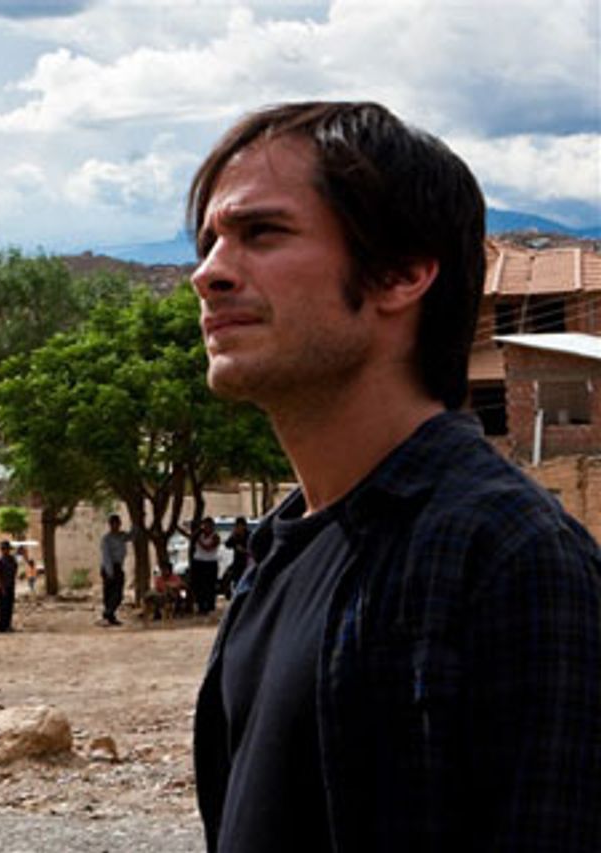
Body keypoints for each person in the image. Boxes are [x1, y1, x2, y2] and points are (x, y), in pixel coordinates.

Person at [188, 102, 601, 852]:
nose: (207, 273)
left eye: (262, 233)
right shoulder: (277, 552)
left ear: (402, 273)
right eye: (209, 241)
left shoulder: (509, 556)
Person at [180, 517, 220, 614]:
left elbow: (208, 548)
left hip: (210, 562)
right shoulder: (199, 535)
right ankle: (201, 605)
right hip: (198, 562)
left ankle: (210, 606)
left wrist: (199, 541)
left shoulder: (215, 536)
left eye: (208, 526)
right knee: (198, 585)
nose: (206, 528)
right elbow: (190, 537)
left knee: (210, 585)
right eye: (205, 525)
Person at [98, 514, 131, 625]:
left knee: (118, 594)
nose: (116, 526)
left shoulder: (122, 536)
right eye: (113, 524)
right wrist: (109, 571)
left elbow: (131, 536)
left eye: (117, 524)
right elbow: (106, 556)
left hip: (118, 566)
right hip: (109, 567)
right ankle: (109, 615)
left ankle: (109, 613)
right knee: (109, 593)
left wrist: (137, 524)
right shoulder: (107, 539)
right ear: (110, 525)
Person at [222, 517, 251, 599]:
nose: (238, 528)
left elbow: (254, 548)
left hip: (247, 563)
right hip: (237, 563)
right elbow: (227, 544)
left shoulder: (249, 535)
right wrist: (234, 535)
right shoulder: (235, 535)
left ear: (244, 526)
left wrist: (244, 550)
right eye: (237, 526)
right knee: (235, 581)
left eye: (240, 526)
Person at [0, 540, 18, 633]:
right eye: (4, 549)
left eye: (7, 549)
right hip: (3, 587)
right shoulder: (0, 561)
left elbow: (15, 569)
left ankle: (8, 625)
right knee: (3, 607)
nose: (6, 551)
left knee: (10, 606)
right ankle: (2, 627)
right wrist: (2, 587)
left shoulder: (12, 559)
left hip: (11, 585)